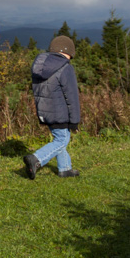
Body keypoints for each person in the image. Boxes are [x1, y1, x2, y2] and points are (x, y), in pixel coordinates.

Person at [24, 35, 81, 179]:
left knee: (60, 138)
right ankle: (36, 159)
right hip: (59, 111)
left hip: (44, 111)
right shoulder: (65, 68)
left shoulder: (39, 66)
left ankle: (65, 169)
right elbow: (72, 96)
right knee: (62, 140)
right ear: (67, 51)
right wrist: (75, 121)